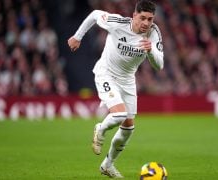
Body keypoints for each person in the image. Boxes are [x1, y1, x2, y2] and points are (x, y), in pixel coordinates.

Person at [67, 0, 164, 178]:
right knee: (119, 115)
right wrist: (77, 36)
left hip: (127, 81)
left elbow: (160, 65)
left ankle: (107, 165)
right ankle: (100, 128)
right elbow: (95, 15)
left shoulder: (153, 32)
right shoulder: (118, 23)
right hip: (107, 74)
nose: (146, 23)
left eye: (150, 19)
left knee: (128, 128)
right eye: (142, 18)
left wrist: (151, 51)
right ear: (134, 15)